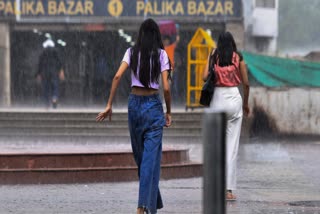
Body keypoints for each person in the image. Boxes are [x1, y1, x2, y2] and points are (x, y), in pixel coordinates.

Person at [96, 18, 172, 214]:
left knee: (143, 158)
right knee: (148, 160)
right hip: (154, 107)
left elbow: (117, 76)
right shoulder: (162, 55)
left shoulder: (131, 52)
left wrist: (109, 104)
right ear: (157, 35)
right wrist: (169, 111)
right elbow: (166, 87)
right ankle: (147, 205)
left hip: (134, 107)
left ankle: (145, 205)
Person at [202, 32, 250, 201]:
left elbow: (203, 77)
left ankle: (215, 187)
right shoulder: (239, 57)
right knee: (232, 148)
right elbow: (246, 83)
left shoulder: (213, 55)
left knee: (217, 147)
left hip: (217, 99)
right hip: (234, 99)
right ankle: (228, 191)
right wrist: (245, 103)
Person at [36, 39, 64, 108]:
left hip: (45, 73)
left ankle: (47, 103)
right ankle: (54, 98)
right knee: (55, 87)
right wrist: (61, 71)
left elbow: (40, 64)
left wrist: (38, 74)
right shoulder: (56, 52)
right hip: (54, 72)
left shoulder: (42, 53)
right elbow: (60, 62)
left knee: (46, 88)